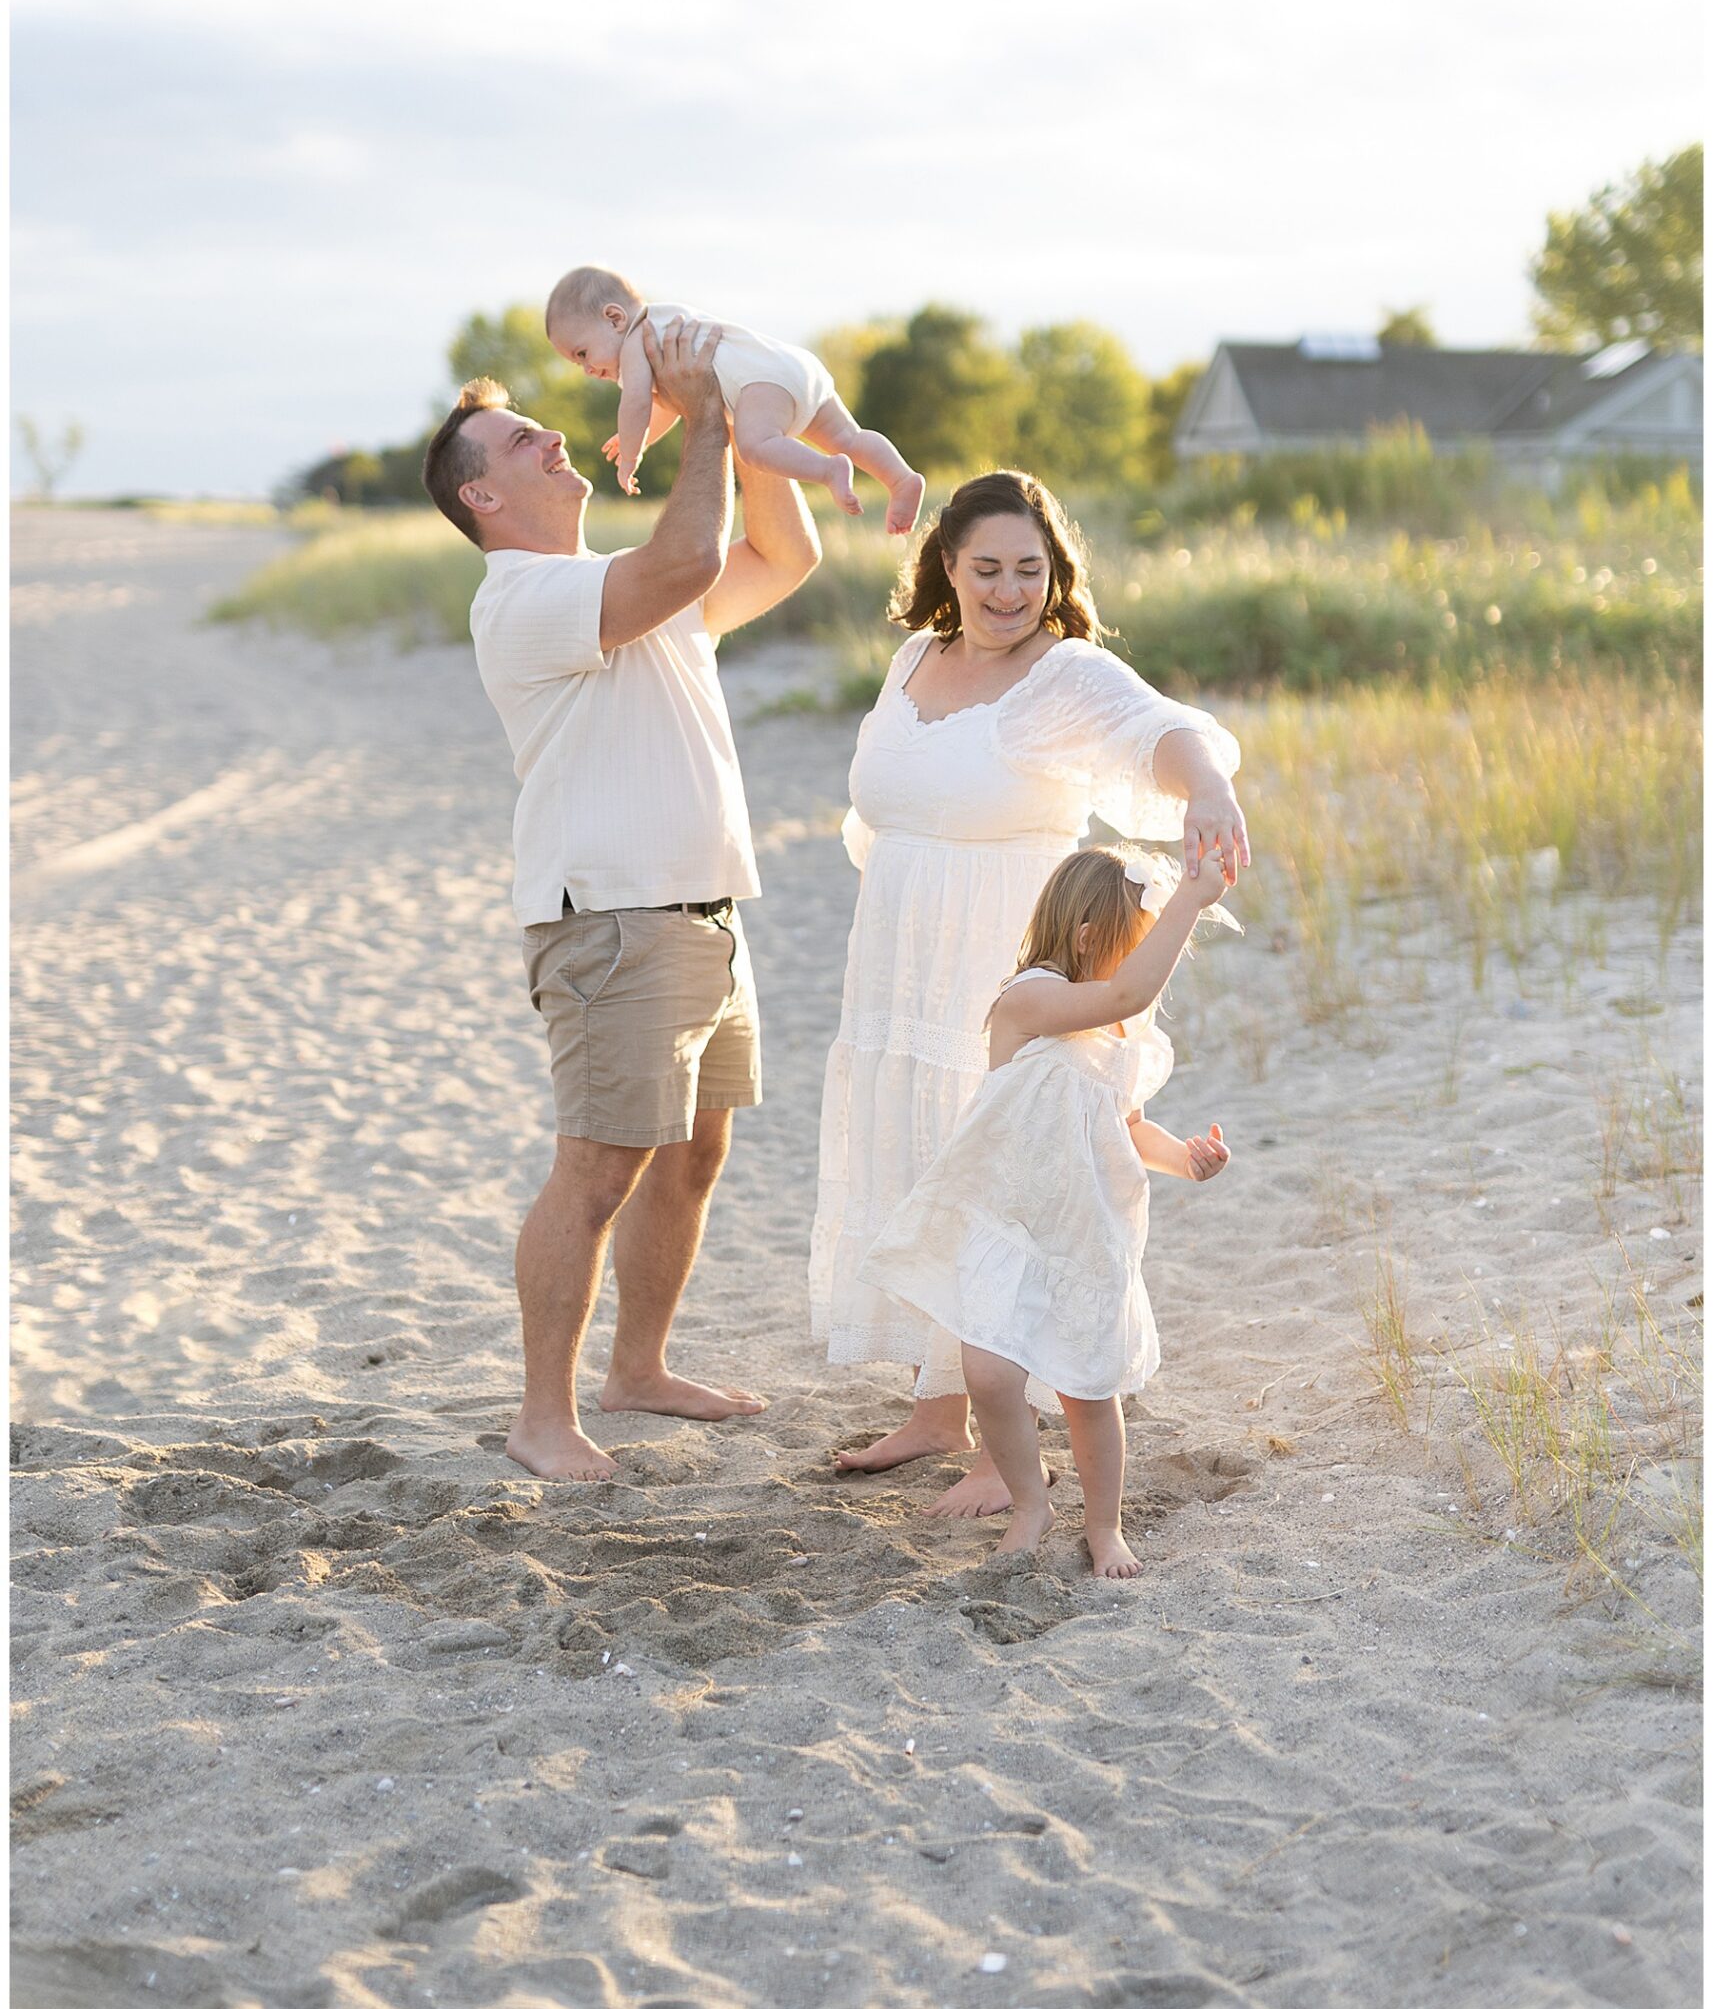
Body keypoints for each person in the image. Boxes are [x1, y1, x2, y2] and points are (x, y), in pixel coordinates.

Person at [421, 317, 821, 1482]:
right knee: (597, 1168)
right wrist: (696, 415)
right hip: (611, 918)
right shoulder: (525, 598)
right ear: (481, 499)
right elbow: (691, 562)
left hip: (703, 914)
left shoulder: (624, 590)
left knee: (691, 1158)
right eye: (518, 439)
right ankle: (541, 1415)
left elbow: (780, 560)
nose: (553, 434)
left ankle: (636, 1368)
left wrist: (746, 412)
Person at [810, 468, 1248, 1514]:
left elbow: (1166, 735)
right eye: (987, 567)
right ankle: (937, 1406)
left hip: (1003, 958)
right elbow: (885, 809)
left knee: (1003, 1183)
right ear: (947, 568)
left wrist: (1214, 790)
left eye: (1029, 569)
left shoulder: (1065, 673)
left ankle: (999, 1457)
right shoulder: (915, 658)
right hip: (900, 961)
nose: (1008, 589)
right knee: (926, 1163)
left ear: (1054, 577)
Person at [858, 846, 1234, 1577]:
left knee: (1088, 1389)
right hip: (1008, 1224)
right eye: (1142, 941)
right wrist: (1191, 896)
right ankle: (1029, 1500)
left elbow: (1124, 1126)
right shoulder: (1027, 1000)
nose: (1151, 967)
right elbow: (1127, 993)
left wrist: (1186, 1160)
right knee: (990, 1374)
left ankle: (1105, 1526)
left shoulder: (1121, 1044)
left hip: (1085, 1232)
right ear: (1092, 936)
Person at [543, 263, 926, 534]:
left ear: (614, 318)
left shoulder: (635, 342)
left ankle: (828, 471)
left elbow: (638, 404)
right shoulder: (663, 321)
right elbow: (666, 409)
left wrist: (629, 457)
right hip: (793, 367)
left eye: (581, 354)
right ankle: (901, 479)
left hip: (759, 383)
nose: (587, 370)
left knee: (756, 447)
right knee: (850, 437)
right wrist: (642, 440)